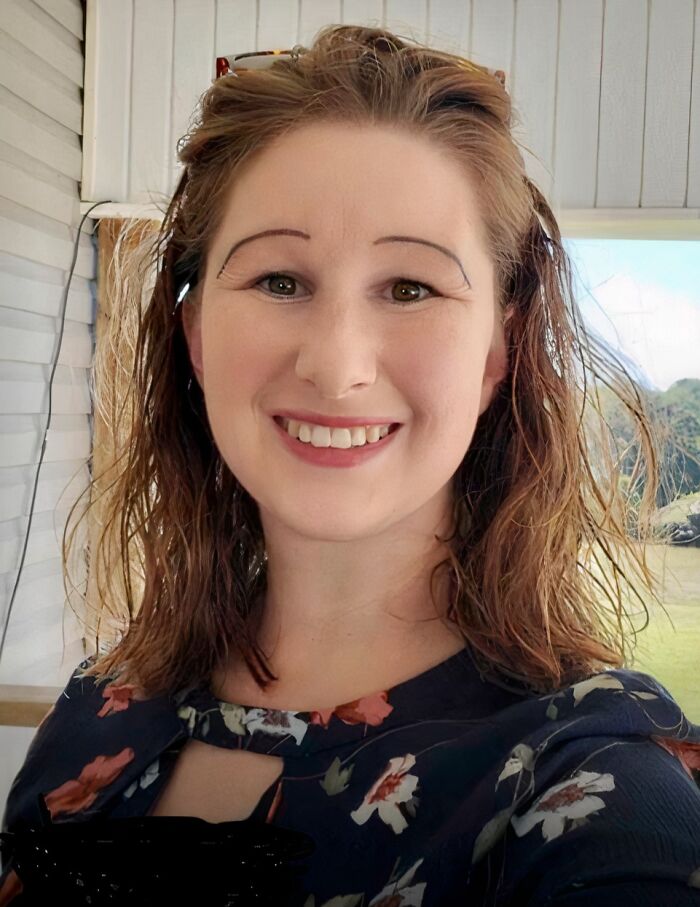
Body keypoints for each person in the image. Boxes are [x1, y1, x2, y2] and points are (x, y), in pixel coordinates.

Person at [1, 23, 700, 906]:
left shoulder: (591, 789)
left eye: (411, 288)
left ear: (497, 354)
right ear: (197, 337)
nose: (337, 365)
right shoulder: (99, 704)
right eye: (279, 281)